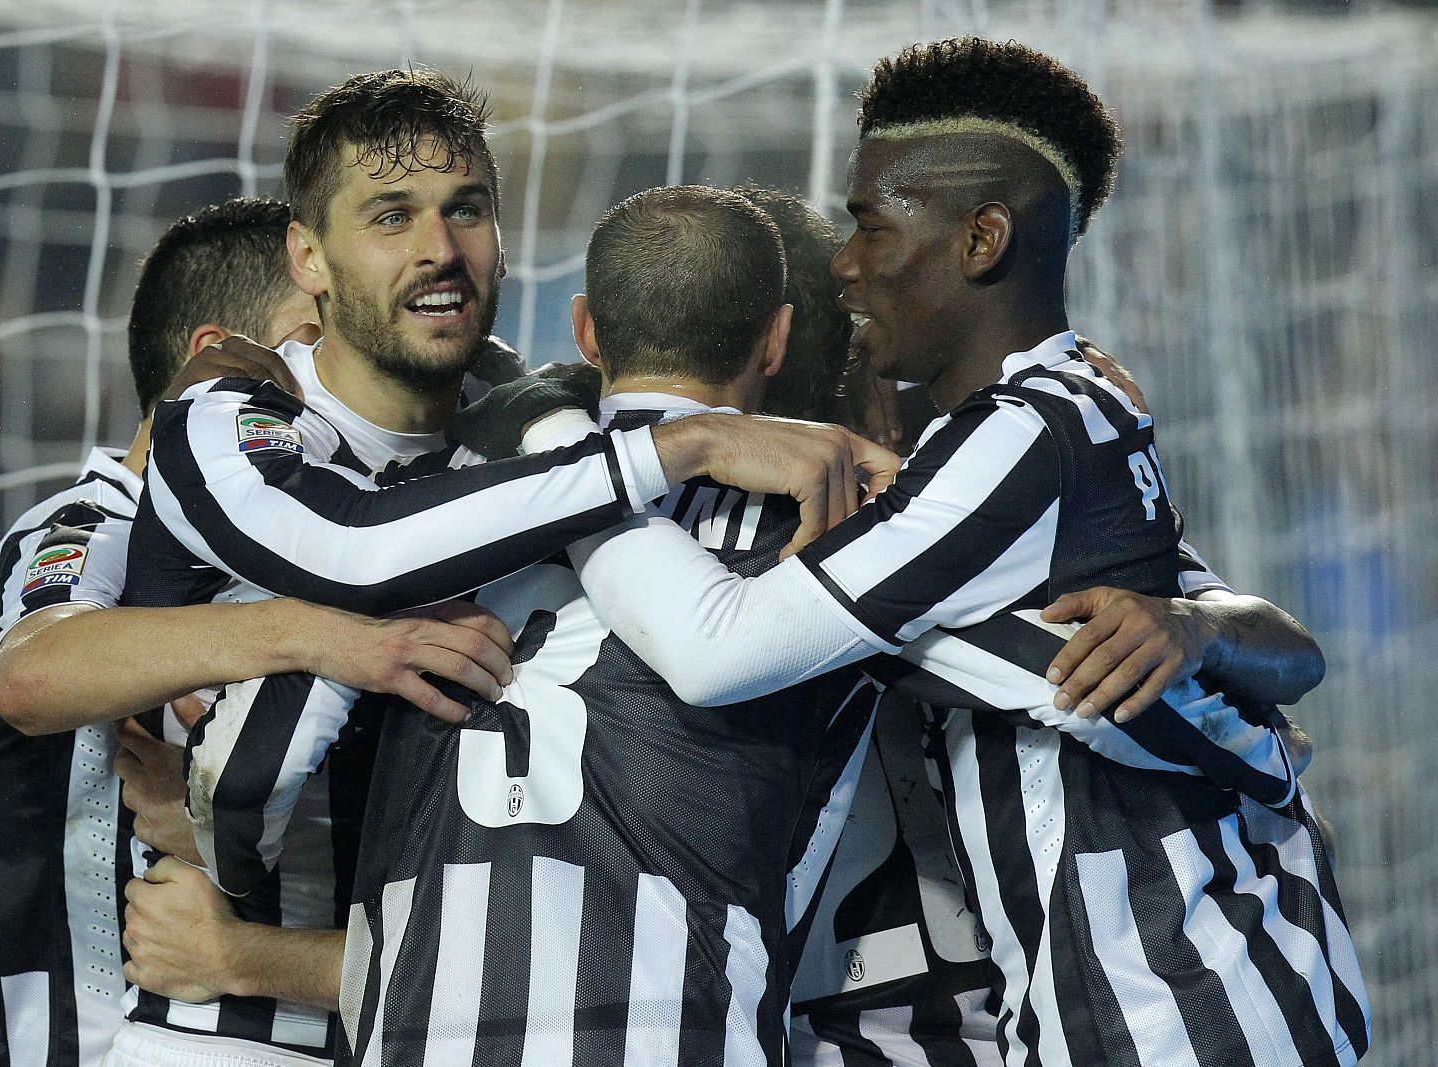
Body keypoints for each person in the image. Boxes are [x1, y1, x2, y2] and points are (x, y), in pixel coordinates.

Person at [561, 39, 1367, 1066]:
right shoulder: (1069, 406)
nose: (848, 267)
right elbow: (1289, 655)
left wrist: (574, 470)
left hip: (1182, 1009)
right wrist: (1200, 629)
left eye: (869, 227)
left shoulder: (1024, 438)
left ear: (981, 238)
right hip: (1145, 999)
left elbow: (720, 648)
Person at [108, 70, 893, 1067]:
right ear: (306, 255)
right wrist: (678, 444)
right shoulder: (226, 422)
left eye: (466, 209)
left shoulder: (522, 423)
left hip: (395, 1002)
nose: (438, 249)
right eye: (391, 217)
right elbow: (355, 549)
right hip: (220, 1024)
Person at [0, 197, 514, 1067]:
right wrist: (302, 632)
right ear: (214, 358)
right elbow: (32, 674)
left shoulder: (349, 550)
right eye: (312, 339)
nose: (340, 376)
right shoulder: (91, 523)